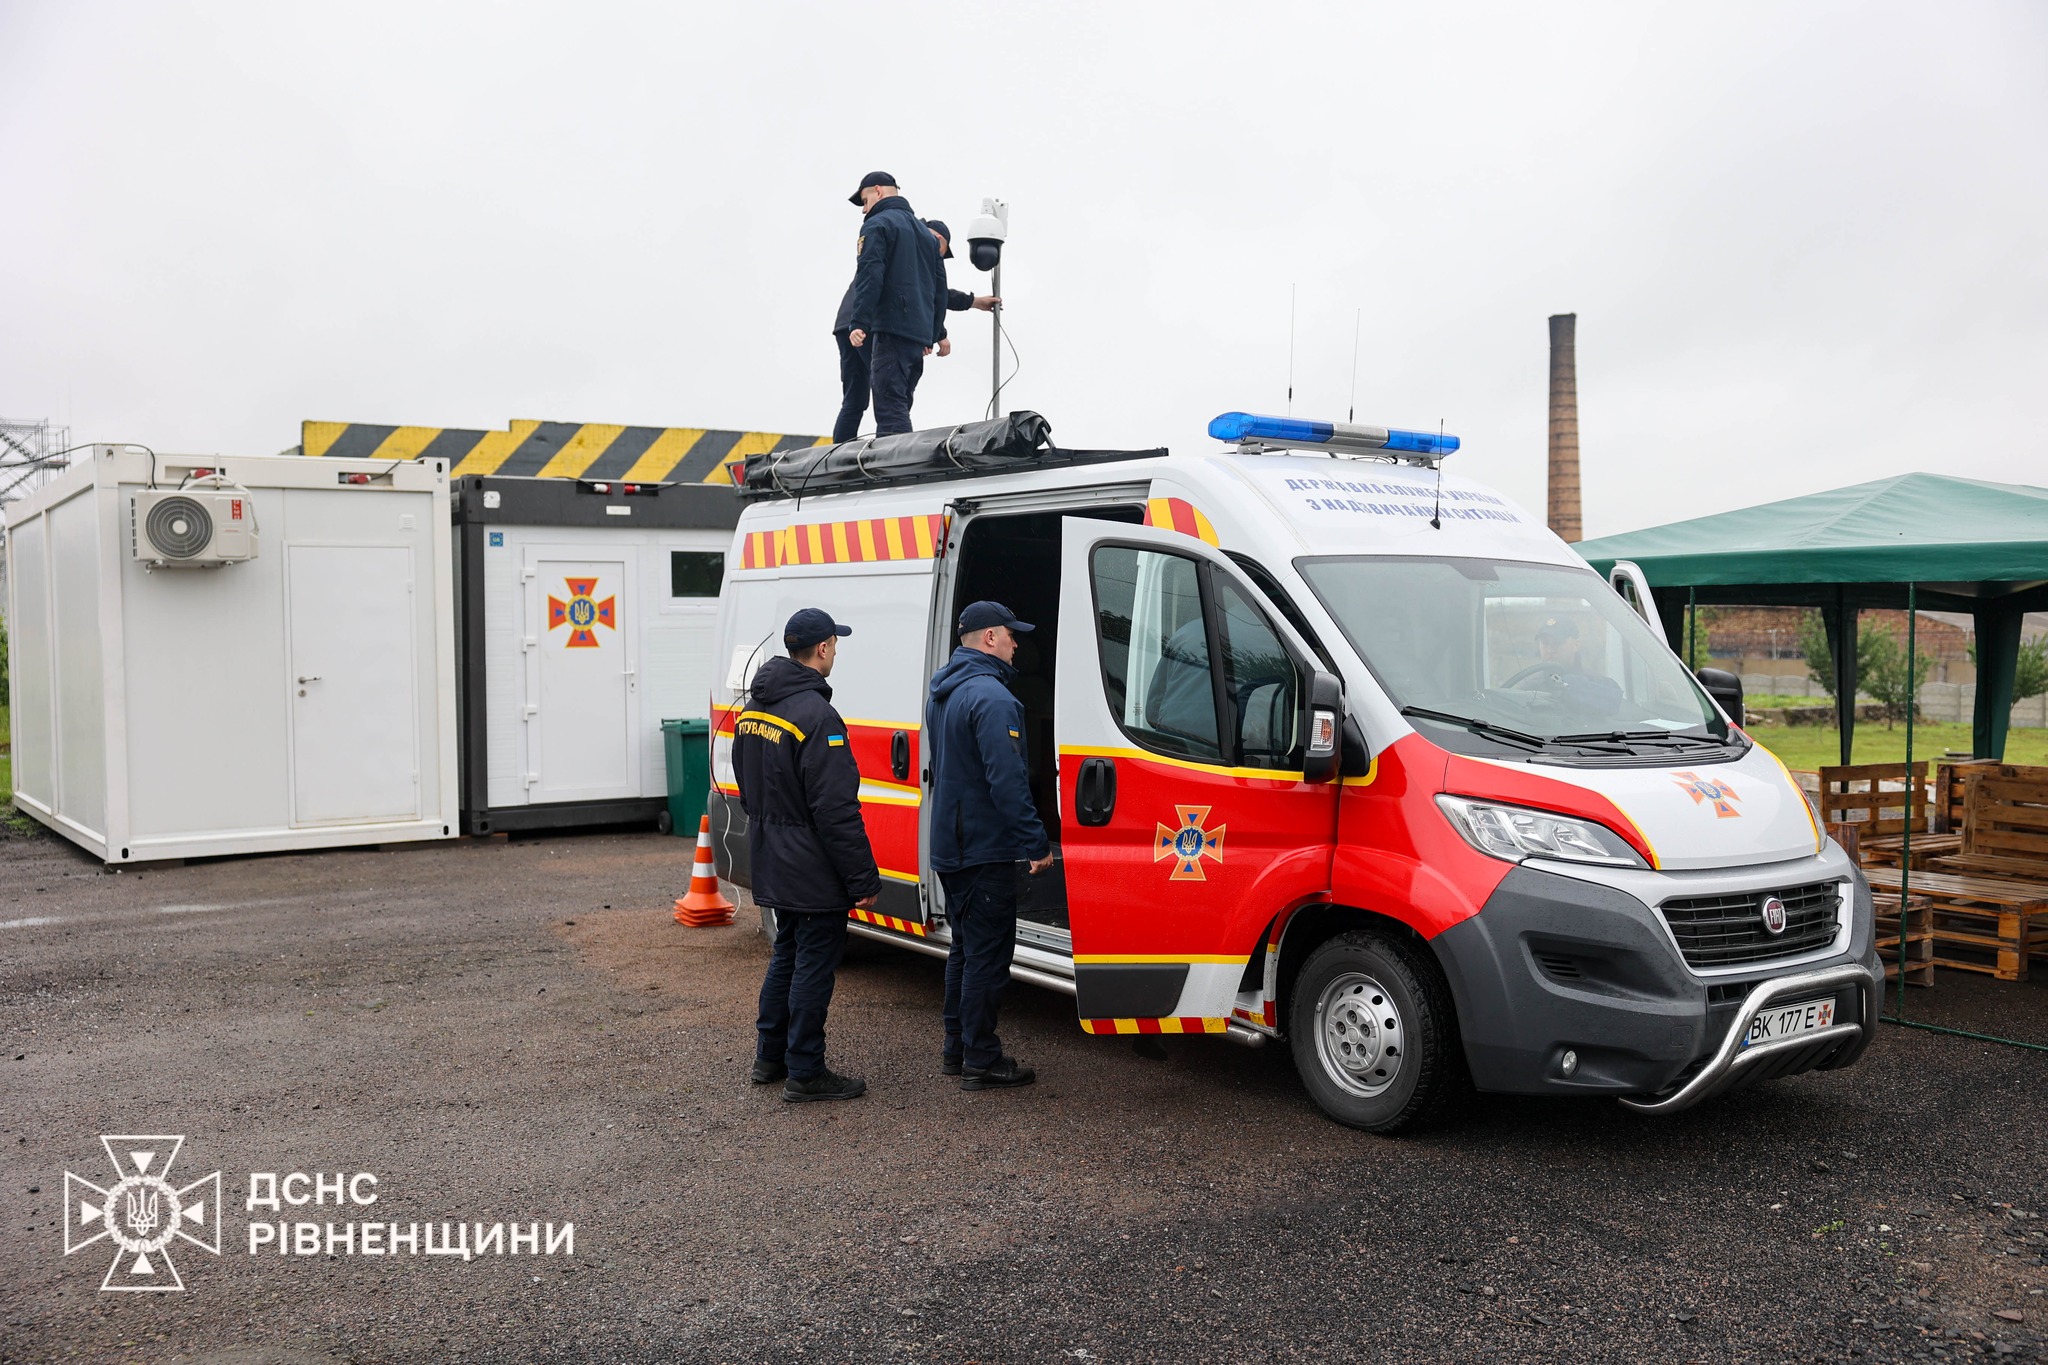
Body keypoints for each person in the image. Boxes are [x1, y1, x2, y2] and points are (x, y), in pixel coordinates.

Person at [737, 607, 880, 1102]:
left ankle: (769, 1058)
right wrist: (862, 878)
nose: (835, 651)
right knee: (813, 966)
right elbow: (836, 810)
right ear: (822, 649)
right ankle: (806, 1071)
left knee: (787, 955)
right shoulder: (818, 717)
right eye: (834, 644)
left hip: (774, 858)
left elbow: (747, 789)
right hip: (813, 867)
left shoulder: (754, 709)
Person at [925, 601, 1055, 1091]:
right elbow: (1007, 781)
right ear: (989, 638)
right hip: (982, 847)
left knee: (964, 949)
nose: (1017, 644)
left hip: (952, 843)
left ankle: (957, 1049)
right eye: (1011, 634)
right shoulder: (994, 699)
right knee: (987, 957)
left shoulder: (944, 690)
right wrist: (1035, 843)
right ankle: (981, 1058)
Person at [838, 172, 948, 438]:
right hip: (918, 337)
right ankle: (899, 457)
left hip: (891, 329)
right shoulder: (927, 236)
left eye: (865, 201)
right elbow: (939, 291)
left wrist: (860, 321)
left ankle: (901, 462)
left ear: (878, 191)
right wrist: (933, 333)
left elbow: (870, 275)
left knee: (889, 407)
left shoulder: (878, 224)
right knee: (900, 403)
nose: (864, 209)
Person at [921, 218, 999, 361]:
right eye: (942, 252)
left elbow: (937, 294)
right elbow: (929, 295)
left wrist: (975, 302)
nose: (940, 257)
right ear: (938, 240)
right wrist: (937, 334)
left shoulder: (910, 253)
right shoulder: (914, 259)